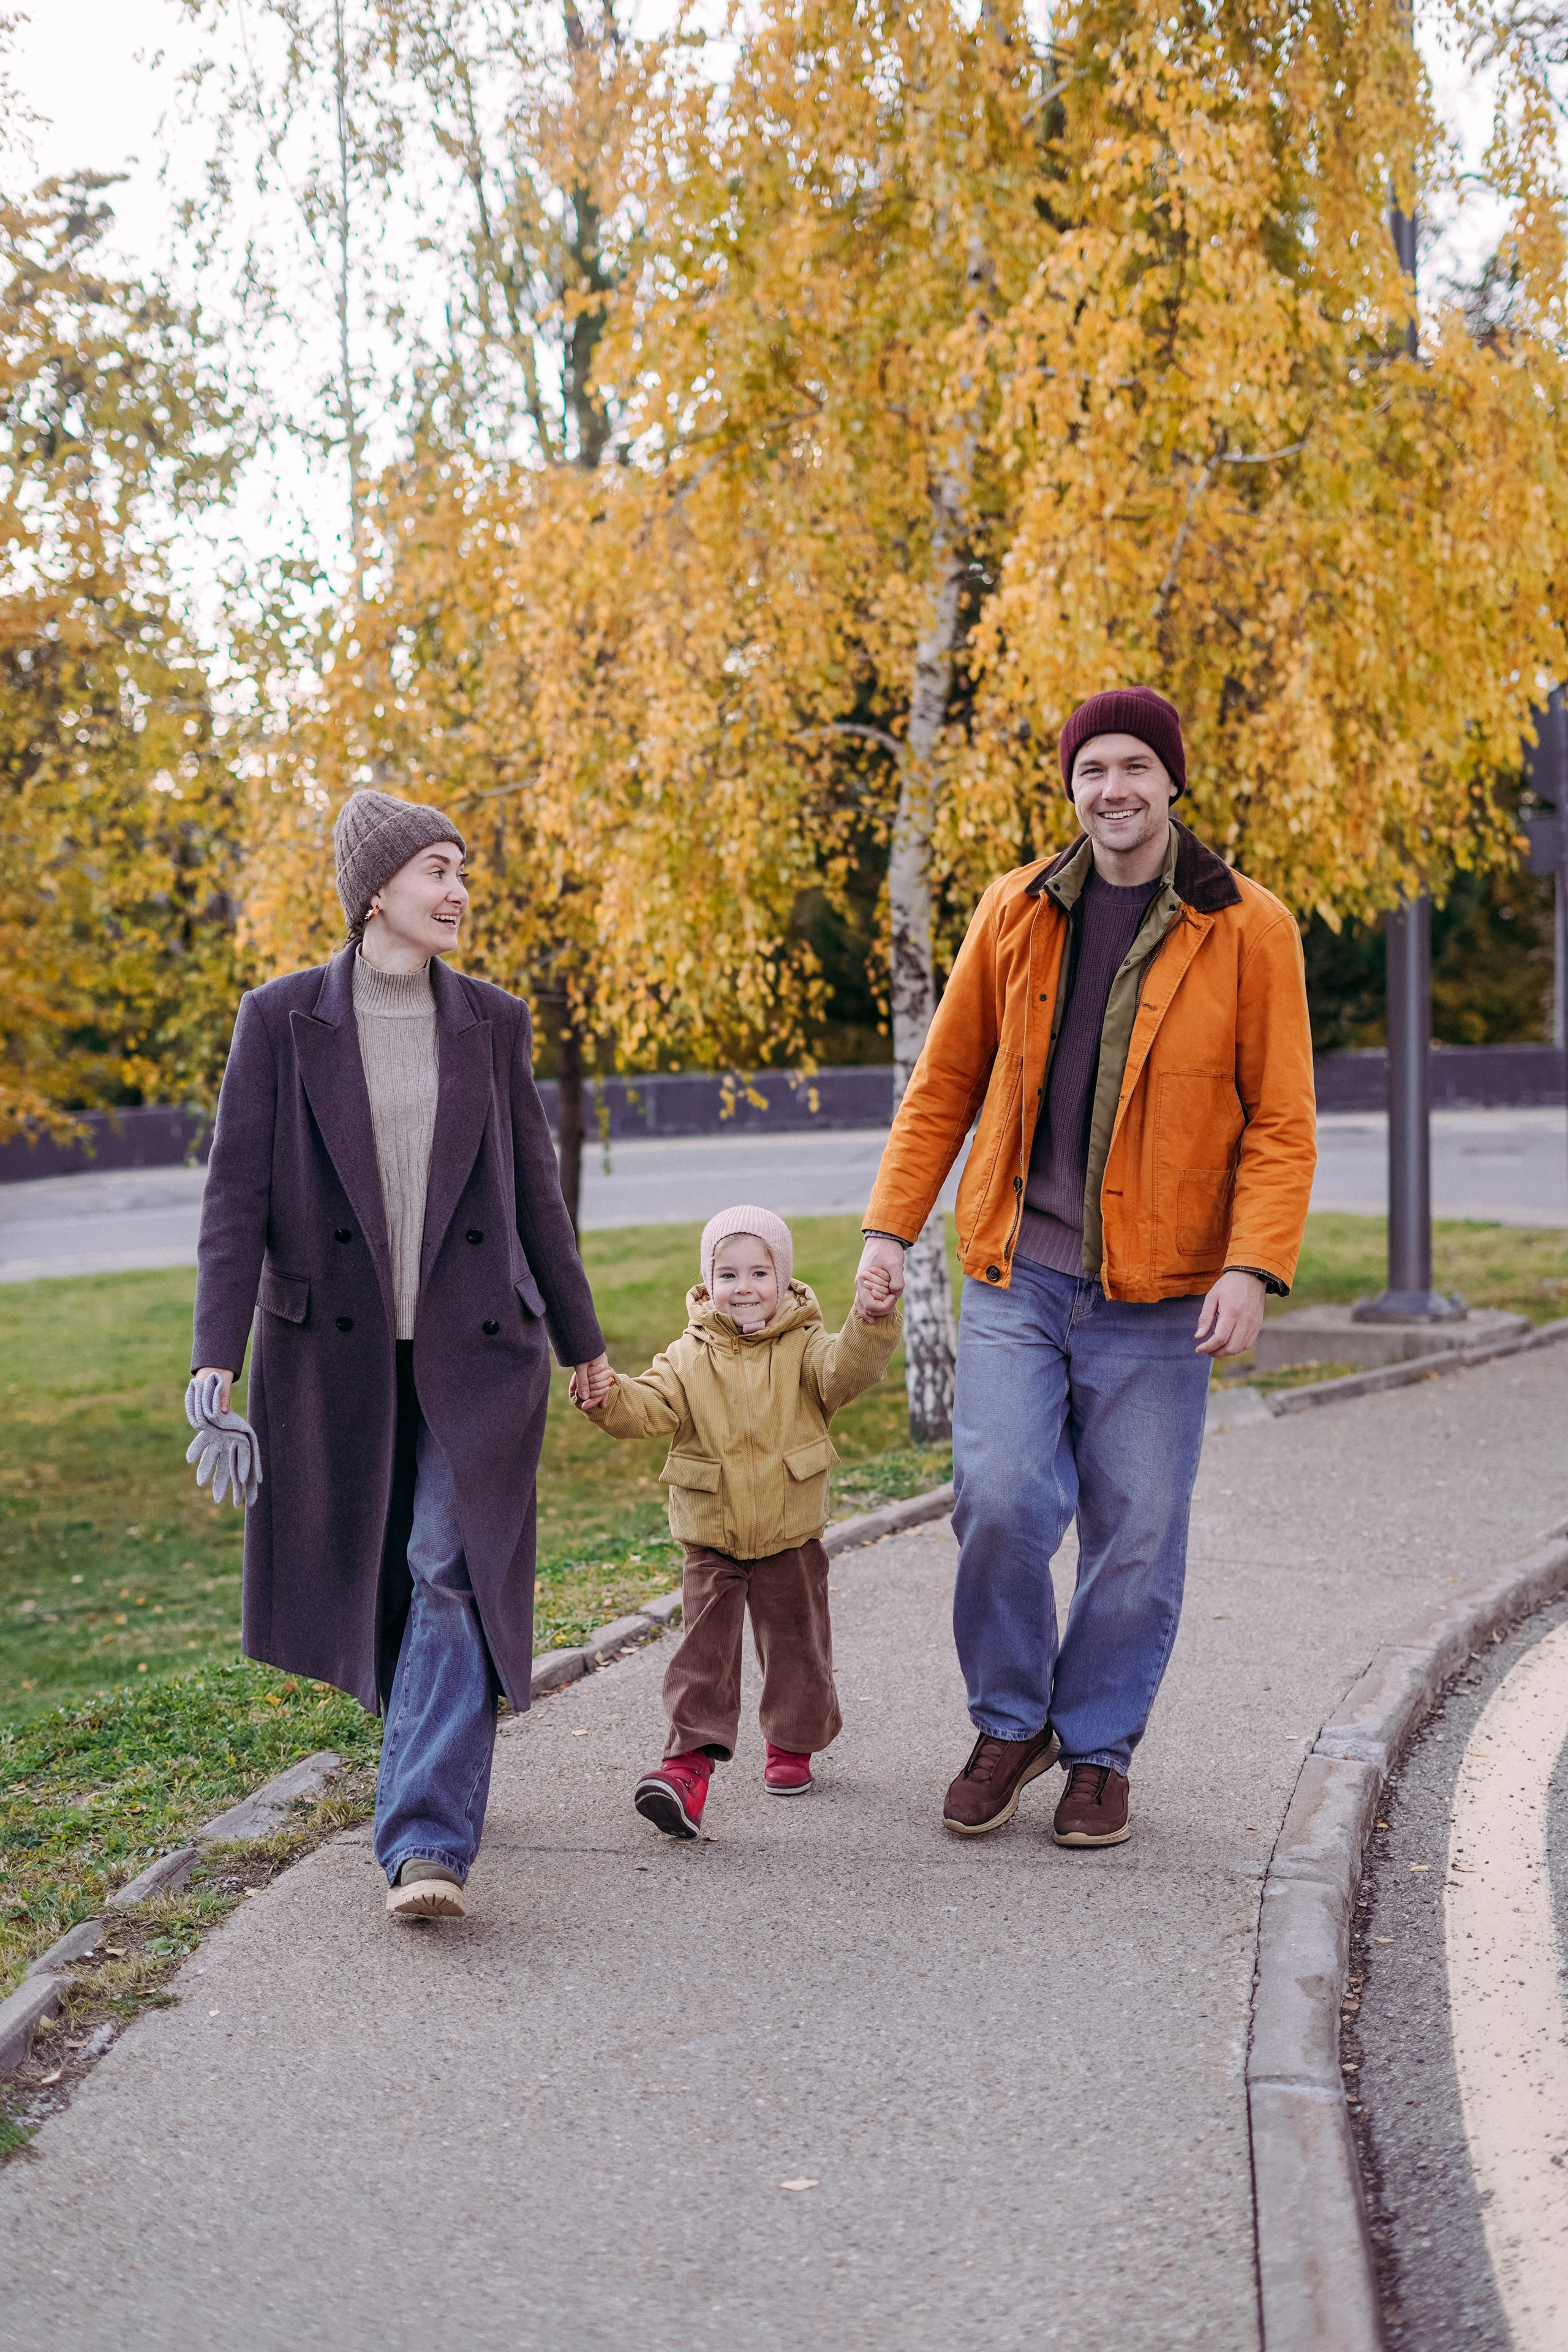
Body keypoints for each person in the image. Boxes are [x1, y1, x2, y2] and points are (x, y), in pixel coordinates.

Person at [857, 688, 1316, 1849]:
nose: (1112, 789)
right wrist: (888, 1229)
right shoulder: (1016, 908)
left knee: (1139, 1530)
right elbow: (946, 1085)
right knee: (1002, 1502)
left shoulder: (1248, 925)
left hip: (1163, 1293)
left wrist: (1253, 1267)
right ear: (1071, 788)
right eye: (1091, 770)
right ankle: (1012, 1724)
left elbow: (1281, 1122)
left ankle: (1099, 1750)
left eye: (1133, 767)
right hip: (1020, 1271)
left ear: (1172, 781)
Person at [188, 790, 608, 1921]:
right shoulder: (281, 1021)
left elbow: (534, 1196)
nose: (457, 888)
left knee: (446, 1563)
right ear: (376, 889)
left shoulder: (493, 1019)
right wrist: (211, 1360)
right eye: (434, 868)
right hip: (336, 1357)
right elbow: (234, 1199)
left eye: (461, 866)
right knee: (385, 1576)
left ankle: (425, 1844)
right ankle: (436, 1737)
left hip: (481, 1351)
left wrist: (584, 1346)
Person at [573, 1207, 900, 1839]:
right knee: (703, 1656)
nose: (743, 1287)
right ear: (707, 1281)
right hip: (712, 1535)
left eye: (759, 1272)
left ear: (784, 1279)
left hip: (790, 1531)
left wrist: (870, 1320)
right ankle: (685, 1769)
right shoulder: (687, 1356)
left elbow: (848, 1372)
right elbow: (646, 1407)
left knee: (798, 1650)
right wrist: (607, 1396)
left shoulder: (808, 1347)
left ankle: (792, 1742)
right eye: (727, 1274)